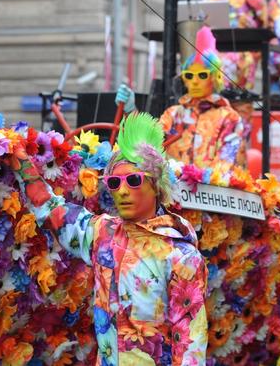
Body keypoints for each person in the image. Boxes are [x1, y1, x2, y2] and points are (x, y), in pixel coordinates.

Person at [16, 112, 208, 365]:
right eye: (115, 183)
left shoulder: (181, 255)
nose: (123, 191)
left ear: (157, 186)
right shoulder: (102, 233)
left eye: (134, 180)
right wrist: (22, 164)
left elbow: (191, 338)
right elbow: (55, 213)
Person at [158, 27, 244, 168]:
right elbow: (149, 146)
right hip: (174, 186)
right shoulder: (173, 114)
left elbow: (226, 162)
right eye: (189, 75)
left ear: (215, 78)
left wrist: (202, 179)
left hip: (210, 188)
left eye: (202, 75)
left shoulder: (229, 118)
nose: (195, 81)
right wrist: (131, 112)